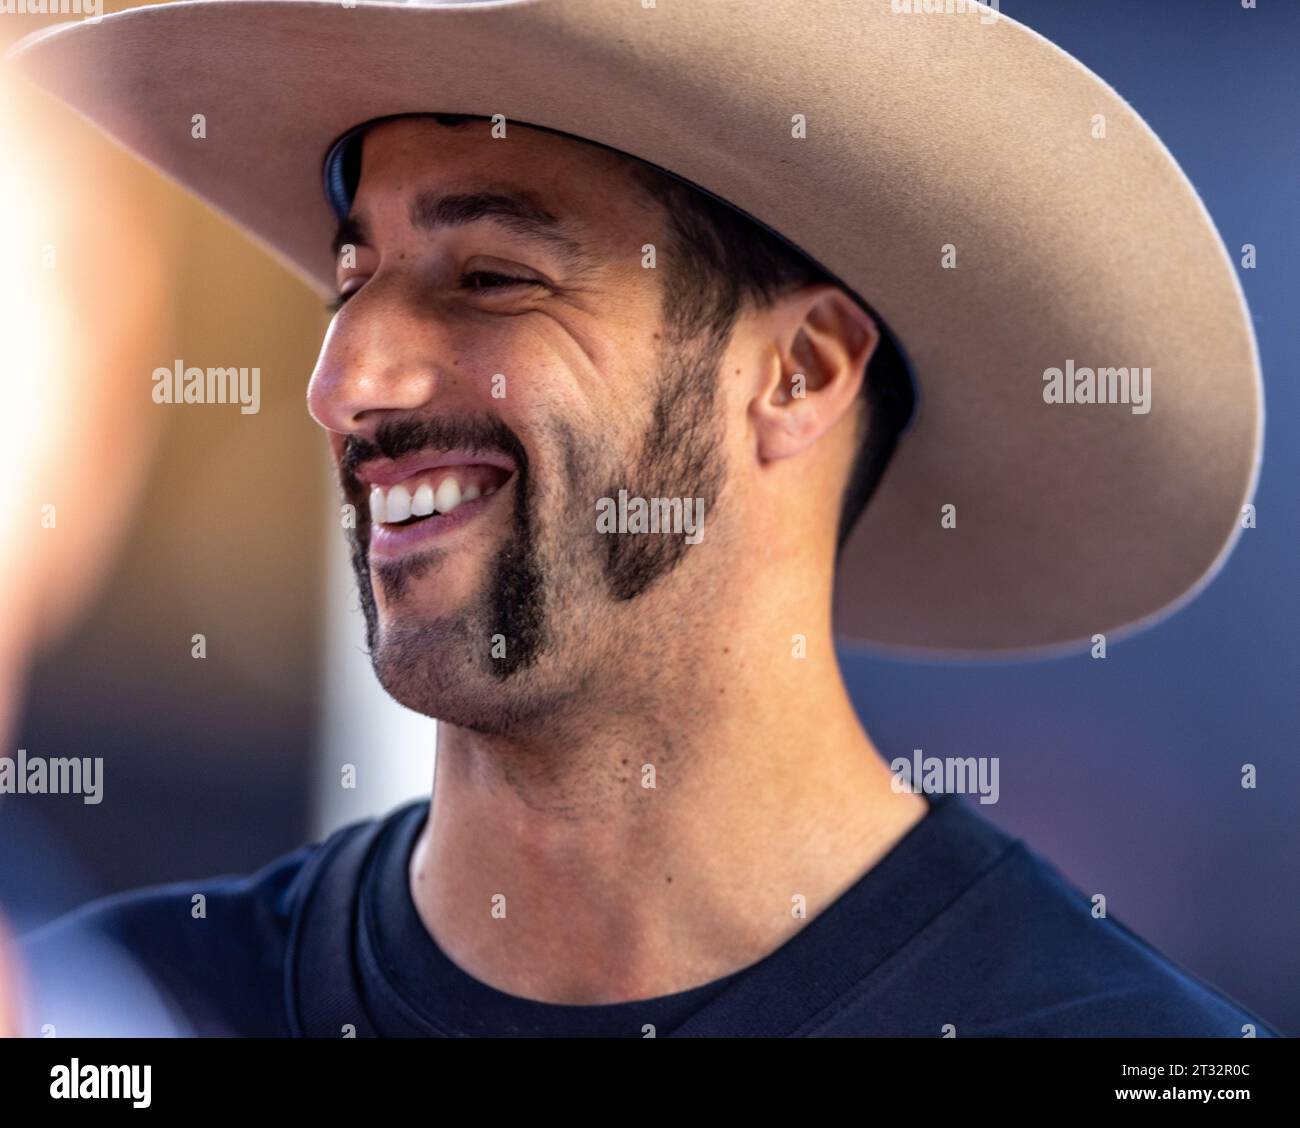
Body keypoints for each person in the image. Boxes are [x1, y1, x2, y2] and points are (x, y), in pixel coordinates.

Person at [7, 1, 1271, 1037]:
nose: (343, 384)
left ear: (804, 373)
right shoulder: (121, 1023)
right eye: (352, 282)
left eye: (491, 278)